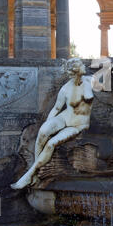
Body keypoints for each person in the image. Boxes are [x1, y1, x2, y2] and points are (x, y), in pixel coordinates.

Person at [11, 58, 94, 189]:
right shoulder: (65, 89)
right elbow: (56, 109)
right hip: (65, 117)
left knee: (51, 144)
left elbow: (106, 79)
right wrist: (48, 124)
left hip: (78, 125)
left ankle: (29, 175)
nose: (84, 66)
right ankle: (36, 172)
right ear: (75, 70)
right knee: (43, 132)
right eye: (81, 65)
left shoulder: (90, 81)